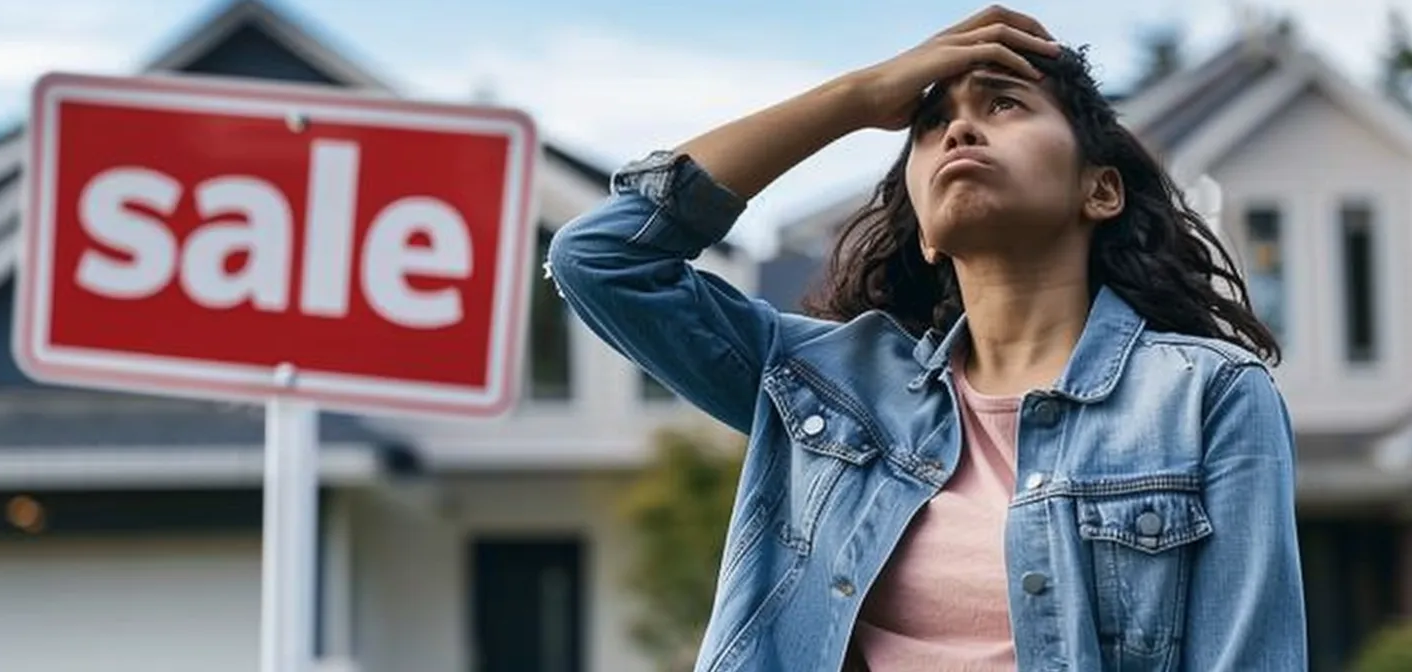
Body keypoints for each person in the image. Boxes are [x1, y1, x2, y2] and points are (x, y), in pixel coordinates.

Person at [545, 5, 1307, 671]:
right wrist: (857, 97)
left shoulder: (1207, 396)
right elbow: (601, 261)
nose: (960, 128)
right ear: (928, 237)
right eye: (932, 123)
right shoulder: (827, 387)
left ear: (1098, 189)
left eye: (1005, 104)